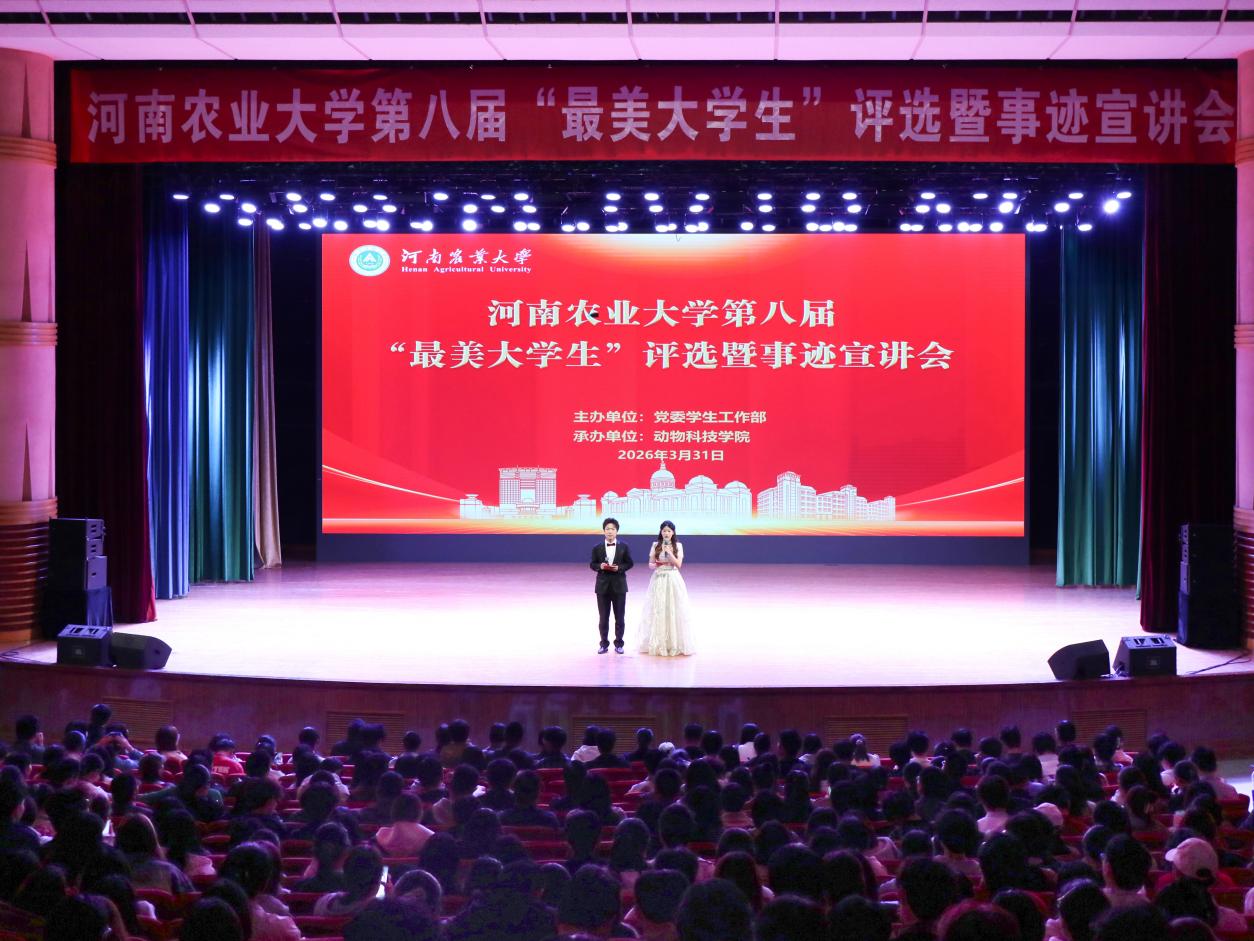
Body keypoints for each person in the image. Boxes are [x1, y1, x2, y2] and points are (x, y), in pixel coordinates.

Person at [637, 519, 695, 657]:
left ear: (673, 532)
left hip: (673, 578)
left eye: (669, 531)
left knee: (673, 608)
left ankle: (674, 643)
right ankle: (659, 643)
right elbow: (650, 564)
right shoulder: (655, 545)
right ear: (661, 532)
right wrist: (656, 565)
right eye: (664, 531)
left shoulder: (678, 545)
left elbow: (678, 564)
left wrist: (669, 553)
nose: (666, 533)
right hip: (659, 579)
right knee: (659, 609)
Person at [590, 516, 634, 654]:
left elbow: (630, 563)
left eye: (612, 529)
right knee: (603, 617)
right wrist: (600, 566)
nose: (610, 531)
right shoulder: (597, 547)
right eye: (607, 529)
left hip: (619, 586)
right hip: (602, 587)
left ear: (617, 531)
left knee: (620, 617)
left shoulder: (624, 546)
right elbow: (592, 564)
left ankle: (619, 644)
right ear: (604, 531)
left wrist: (619, 568)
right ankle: (603, 644)